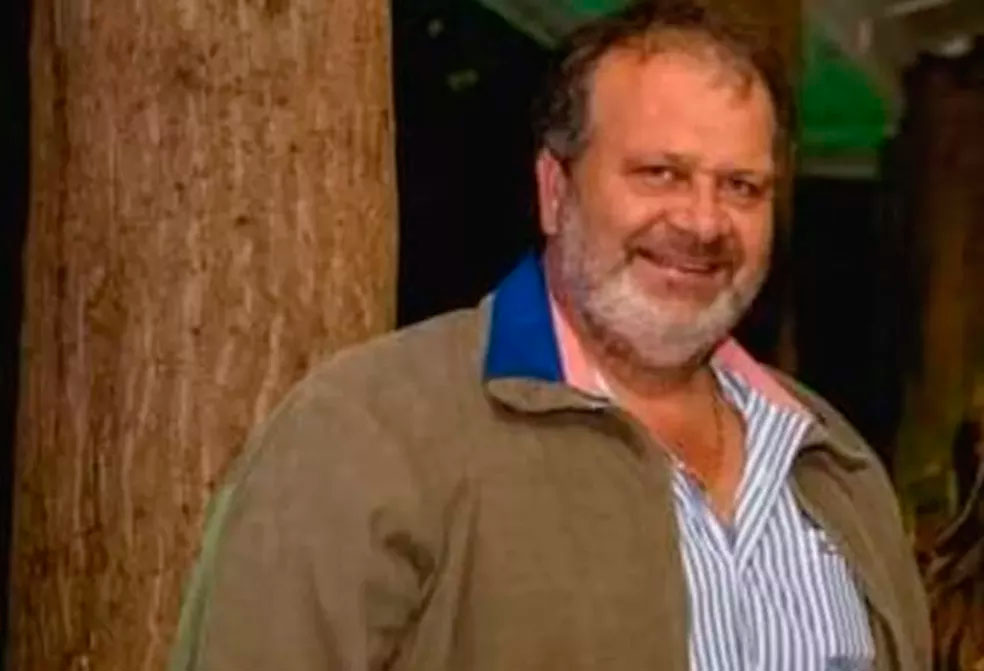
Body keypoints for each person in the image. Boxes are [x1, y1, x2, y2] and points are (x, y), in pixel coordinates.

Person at [170, 2, 930, 669]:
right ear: (555, 190)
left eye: (741, 186)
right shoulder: (372, 433)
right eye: (660, 173)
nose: (703, 222)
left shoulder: (832, 467)